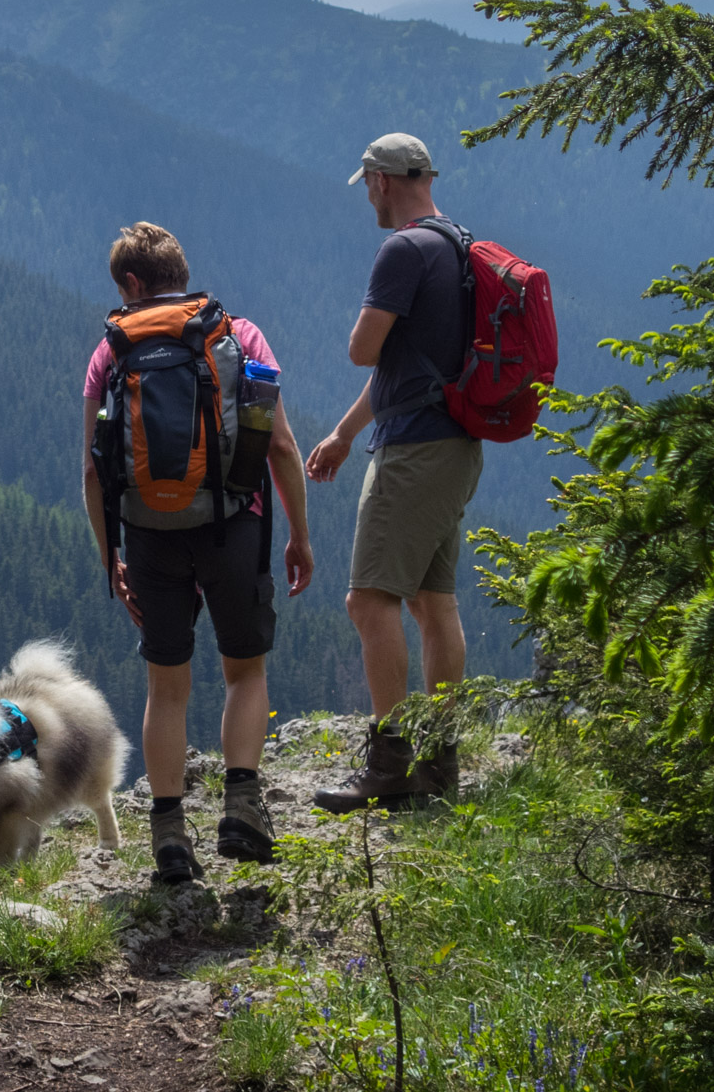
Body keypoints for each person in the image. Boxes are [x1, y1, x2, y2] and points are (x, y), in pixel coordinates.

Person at [82, 223, 314, 880]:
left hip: (150, 534)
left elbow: (94, 473)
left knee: (168, 687)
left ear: (131, 284)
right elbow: (281, 445)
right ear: (181, 273)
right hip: (235, 523)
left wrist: (111, 561)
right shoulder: (238, 336)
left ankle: (168, 838)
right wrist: (298, 534)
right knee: (244, 672)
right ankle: (241, 805)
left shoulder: (110, 353)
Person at [304, 133, 481, 810]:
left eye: (368, 186)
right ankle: (440, 761)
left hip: (414, 452)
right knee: (433, 603)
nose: (369, 198)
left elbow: (364, 350)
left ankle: (389, 764)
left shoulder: (402, 249)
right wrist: (346, 434)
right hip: (457, 444)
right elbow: (407, 367)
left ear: (380, 181)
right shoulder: (459, 246)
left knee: (368, 599)